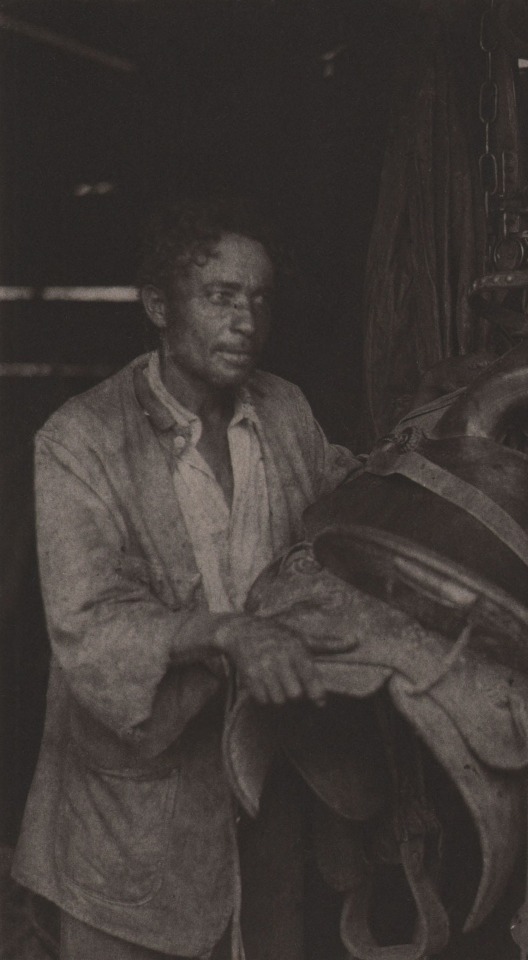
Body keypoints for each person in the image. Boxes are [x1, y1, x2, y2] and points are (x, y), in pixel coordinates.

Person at [11, 197, 360, 960]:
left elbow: (337, 521)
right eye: (221, 296)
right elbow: (87, 621)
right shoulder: (81, 439)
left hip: (265, 795)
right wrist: (228, 633)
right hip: (131, 824)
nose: (246, 321)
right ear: (159, 306)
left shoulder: (284, 413)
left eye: (260, 298)